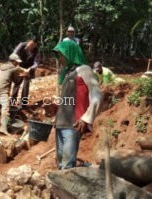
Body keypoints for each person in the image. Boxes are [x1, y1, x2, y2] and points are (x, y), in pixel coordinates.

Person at [53, 41, 102, 169]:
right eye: (58, 56)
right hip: (61, 123)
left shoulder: (84, 70)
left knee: (67, 165)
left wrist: (87, 117)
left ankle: (67, 187)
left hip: (73, 124)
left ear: (70, 53)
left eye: (61, 55)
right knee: (60, 163)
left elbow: (96, 95)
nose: (60, 59)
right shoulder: (67, 72)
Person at [0, 54, 27, 134]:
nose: (17, 64)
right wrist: (22, 76)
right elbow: (16, 81)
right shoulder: (13, 69)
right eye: (16, 62)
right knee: (6, 107)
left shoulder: (3, 66)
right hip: (3, 89)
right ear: (13, 61)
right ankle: (3, 128)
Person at [11, 37, 40, 107]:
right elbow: (14, 54)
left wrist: (30, 69)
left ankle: (23, 104)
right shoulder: (21, 45)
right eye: (30, 45)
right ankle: (12, 102)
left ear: (36, 45)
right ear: (29, 41)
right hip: (20, 66)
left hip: (28, 69)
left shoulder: (36, 50)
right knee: (17, 83)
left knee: (26, 85)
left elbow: (36, 62)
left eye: (33, 46)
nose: (31, 47)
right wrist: (16, 64)